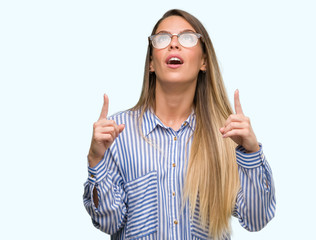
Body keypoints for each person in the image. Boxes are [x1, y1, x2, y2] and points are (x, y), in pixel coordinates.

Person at [83, 9, 276, 240]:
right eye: (163, 38)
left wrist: (251, 152)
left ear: (204, 61)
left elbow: (256, 220)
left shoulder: (227, 134)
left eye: (187, 38)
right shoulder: (116, 133)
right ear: (151, 63)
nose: (173, 44)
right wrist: (96, 161)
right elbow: (108, 222)